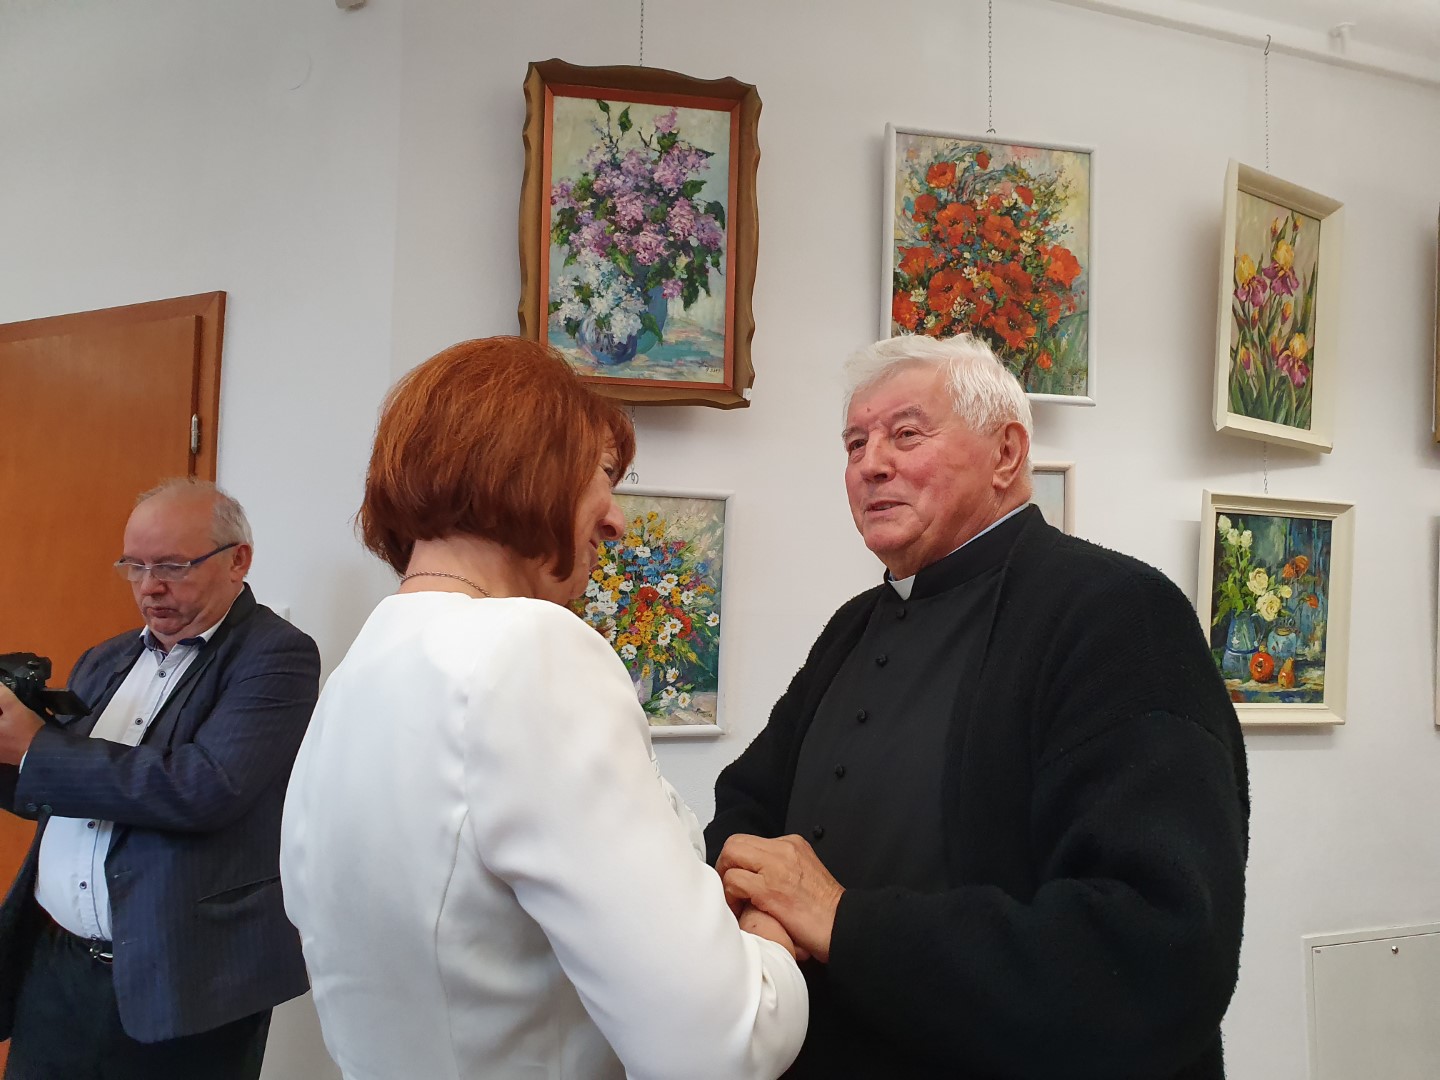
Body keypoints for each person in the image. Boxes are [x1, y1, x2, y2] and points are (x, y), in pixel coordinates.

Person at [707, 334, 1249, 1079]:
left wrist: (843, 922)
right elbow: (746, 802)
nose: (870, 464)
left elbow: (1155, 947)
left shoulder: (1120, 612)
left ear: (1006, 454)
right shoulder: (852, 626)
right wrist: (758, 907)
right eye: (855, 444)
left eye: (905, 435)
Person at [280, 337, 807, 1080]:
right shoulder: (528, 650)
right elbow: (722, 1047)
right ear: (526, 466)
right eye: (603, 477)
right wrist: (768, 938)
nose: (616, 521)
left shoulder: (357, 673)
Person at [0, 479, 321, 1080]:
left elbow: (205, 788)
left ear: (238, 560)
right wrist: (11, 755)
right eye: (135, 566)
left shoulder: (277, 656)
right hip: (57, 968)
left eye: (172, 566)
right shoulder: (106, 658)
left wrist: (36, 747)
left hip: (186, 983)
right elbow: (55, 792)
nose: (149, 586)